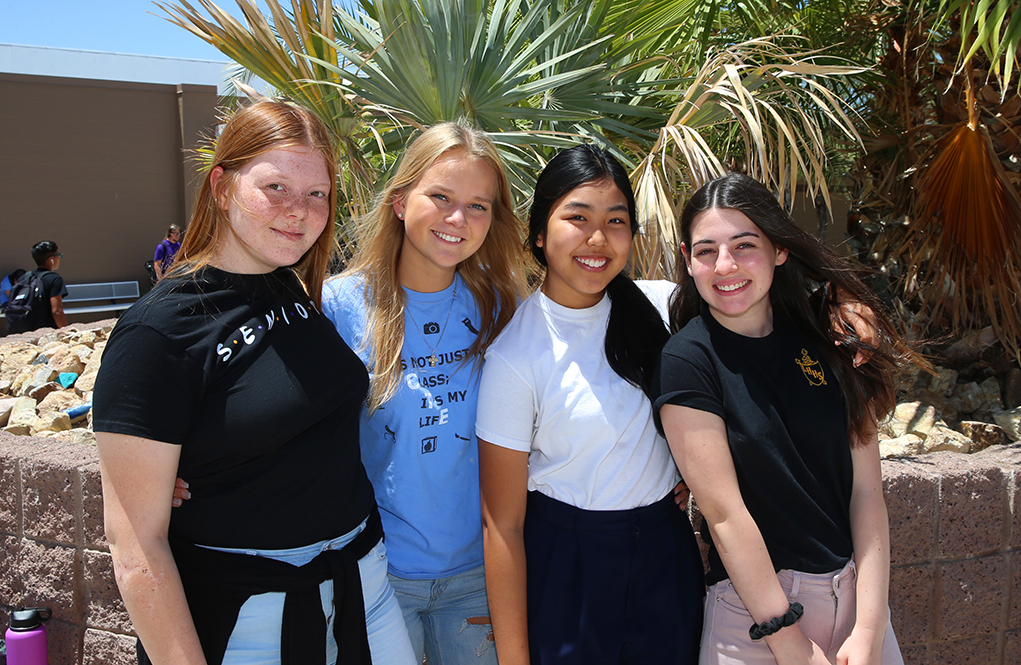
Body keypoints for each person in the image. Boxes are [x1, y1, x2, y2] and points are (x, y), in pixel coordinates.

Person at [93, 100, 416, 665]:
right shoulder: (159, 331)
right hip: (250, 620)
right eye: (275, 187)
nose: (300, 211)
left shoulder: (285, 284)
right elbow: (136, 547)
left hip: (364, 591)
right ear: (221, 186)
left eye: (317, 193)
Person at [653, 173, 922, 665]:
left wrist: (870, 626)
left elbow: (866, 492)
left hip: (857, 601)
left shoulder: (829, 338)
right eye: (706, 250)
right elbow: (725, 516)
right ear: (689, 263)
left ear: (779, 249)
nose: (725, 265)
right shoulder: (688, 359)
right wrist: (789, 642)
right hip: (756, 619)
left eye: (744, 244)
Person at [476, 145, 706, 665]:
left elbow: (744, 363)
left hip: (664, 554)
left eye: (616, 220)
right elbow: (502, 525)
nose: (597, 238)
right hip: (567, 565)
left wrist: (699, 467)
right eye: (577, 217)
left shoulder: (665, 306)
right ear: (540, 233)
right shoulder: (515, 356)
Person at [320, 121, 527, 665]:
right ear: (399, 201)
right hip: (375, 580)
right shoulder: (335, 307)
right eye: (440, 196)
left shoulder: (504, 310)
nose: (458, 219)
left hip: (479, 579)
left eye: (479, 206)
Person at [8, 242, 68, 332]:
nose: (59, 258)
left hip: (22, 330)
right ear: (51, 259)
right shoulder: (54, 279)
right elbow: (57, 311)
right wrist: (66, 332)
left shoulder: (24, 277)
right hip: (45, 331)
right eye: (58, 255)